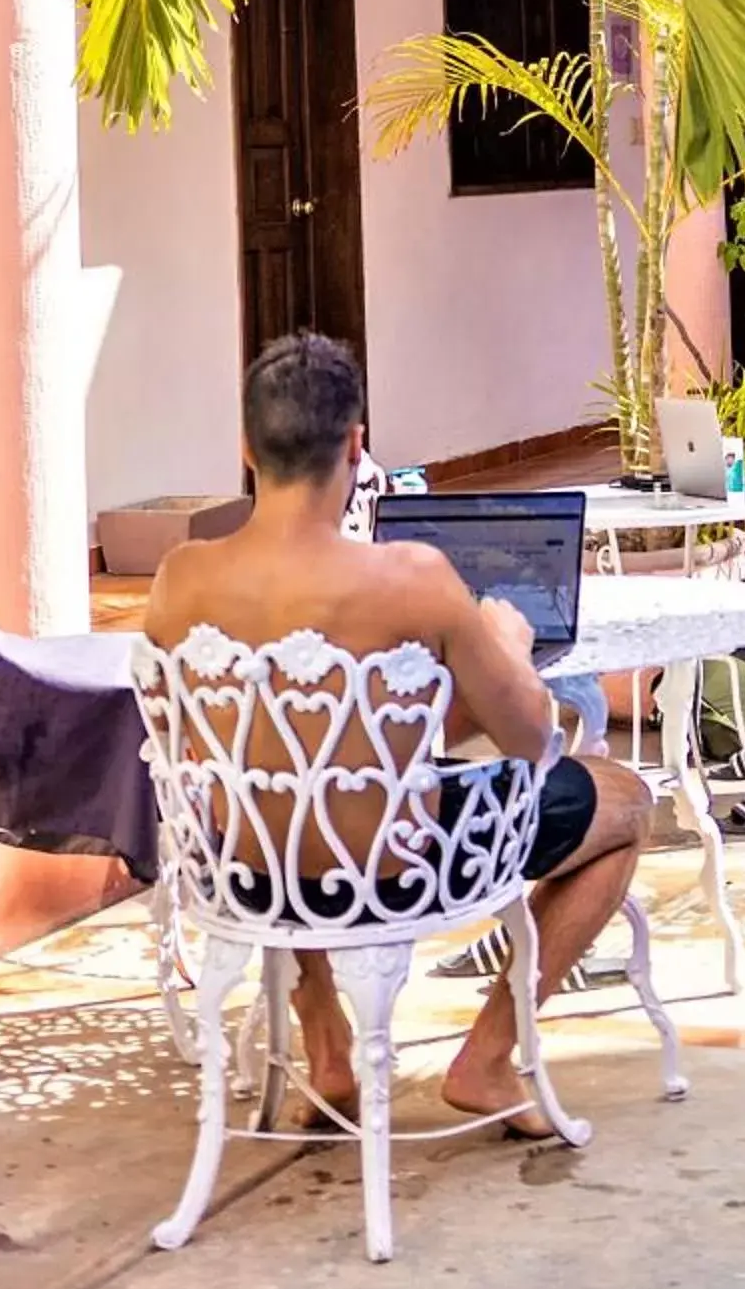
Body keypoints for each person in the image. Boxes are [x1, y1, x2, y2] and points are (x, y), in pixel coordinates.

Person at [144, 332, 651, 1133]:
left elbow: (220, 729)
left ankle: (327, 1043)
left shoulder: (180, 579)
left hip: (245, 869)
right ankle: (487, 1058)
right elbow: (529, 738)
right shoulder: (412, 580)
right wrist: (509, 646)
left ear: (246, 447)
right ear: (356, 445)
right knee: (624, 802)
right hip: (400, 871)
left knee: (282, 780)